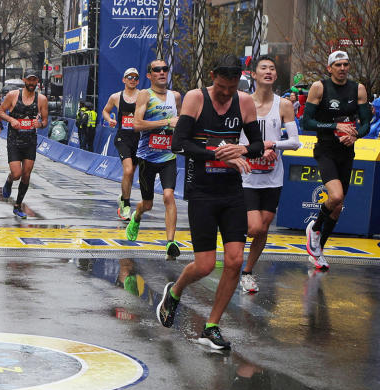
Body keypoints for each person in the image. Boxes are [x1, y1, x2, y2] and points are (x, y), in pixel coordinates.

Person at [156, 55, 266, 350]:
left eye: (232, 87)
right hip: (202, 191)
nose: (227, 93)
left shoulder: (244, 102)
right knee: (205, 265)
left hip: (232, 192)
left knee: (234, 260)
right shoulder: (195, 98)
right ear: (212, 76)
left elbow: (256, 145)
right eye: (222, 87)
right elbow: (180, 144)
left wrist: (240, 148)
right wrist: (219, 154)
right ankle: (175, 291)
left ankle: (211, 326)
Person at [301, 50, 371, 271]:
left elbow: (366, 123)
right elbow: (307, 123)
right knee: (336, 195)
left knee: (338, 207)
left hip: (346, 151)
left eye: (346, 64)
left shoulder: (357, 89)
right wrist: (335, 127)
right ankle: (314, 227)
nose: (342, 68)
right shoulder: (319, 87)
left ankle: (318, 249)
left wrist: (356, 135)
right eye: (338, 65)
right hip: (325, 149)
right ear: (329, 68)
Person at [239, 56, 300, 293]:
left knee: (263, 229)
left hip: (273, 177)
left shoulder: (283, 105)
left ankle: (247, 272)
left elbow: (294, 142)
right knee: (253, 228)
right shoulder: (243, 103)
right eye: (263, 68)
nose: (268, 71)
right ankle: (233, 241)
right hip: (247, 175)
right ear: (253, 74)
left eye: (272, 69)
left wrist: (273, 145)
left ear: (275, 76)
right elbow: (234, 138)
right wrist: (256, 150)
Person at [128, 60, 183, 258]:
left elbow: (182, 121)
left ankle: (170, 242)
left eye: (165, 69)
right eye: (156, 70)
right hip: (146, 157)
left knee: (169, 196)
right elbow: (136, 124)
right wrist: (167, 121)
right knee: (148, 204)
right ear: (149, 75)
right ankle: (137, 215)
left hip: (168, 155)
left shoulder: (175, 97)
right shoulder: (145, 95)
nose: (161, 72)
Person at [0, 71, 49, 219]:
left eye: (34, 81)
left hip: (30, 141)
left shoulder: (42, 99)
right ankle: (9, 180)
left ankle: (18, 205)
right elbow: (0, 111)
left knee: (26, 175)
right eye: (30, 80)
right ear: (24, 80)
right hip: (14, 140)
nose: (32, 84)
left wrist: (39, 124)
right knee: (17, 174)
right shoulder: (13, 95)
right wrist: (11, 120)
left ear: (37, 81)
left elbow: (45, 122)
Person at [102, 67, 141, 220]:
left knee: (130, 175)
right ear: (124, 79)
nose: (132, 80)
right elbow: (105, 110)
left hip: (138, 139)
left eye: (135, 78)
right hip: (122, 138)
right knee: (128, 170)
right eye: (129, 77)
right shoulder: (116, 97)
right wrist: (109, 119)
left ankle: (123, 198)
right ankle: (125, 205)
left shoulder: (143, 96)